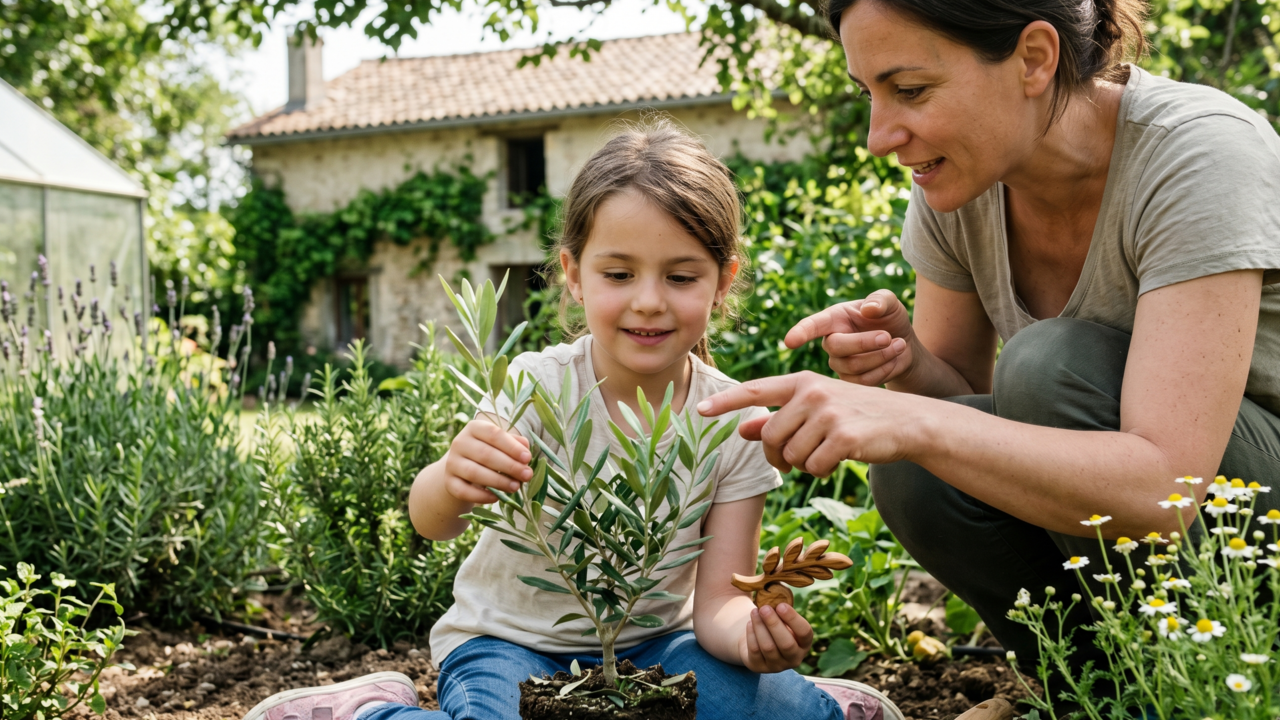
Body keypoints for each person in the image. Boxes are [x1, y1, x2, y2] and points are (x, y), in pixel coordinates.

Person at [696, 0, 1280, 689]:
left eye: (909, 90)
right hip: (1160, 535)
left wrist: (907, 419)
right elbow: (965, 412)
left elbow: (1163, 490)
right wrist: (909, 366)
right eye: (869, 93)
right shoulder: (961, 178)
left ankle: (1211, 686)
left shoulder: (1200, 151)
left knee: (1044, 368)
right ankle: (1093, 692)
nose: (880, 136)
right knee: (916, 470)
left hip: (1244, 531)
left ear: (1034, 58)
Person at [240, 123, 897, 720]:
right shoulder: (542, 387)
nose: (648, 301)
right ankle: (370, 713)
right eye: (619, 272)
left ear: (722, 283)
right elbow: (431, 520)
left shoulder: (734, 421)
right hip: (510, 647)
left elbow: (721, 603)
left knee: (788, 714)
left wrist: (752, 640)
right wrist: (451, 476)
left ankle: (821, 704)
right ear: (574, 275)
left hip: (662, 648)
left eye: (681, 276)